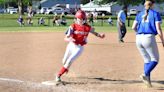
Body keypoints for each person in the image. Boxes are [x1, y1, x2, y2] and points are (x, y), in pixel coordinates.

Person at [55, 10, 105, 82]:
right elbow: (66, 37)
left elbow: (94, 32)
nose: (80, 20)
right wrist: (69, 39)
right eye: (78, 19)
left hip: (79, 48)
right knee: (64, 61)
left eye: (82, 19)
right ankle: (66, 67)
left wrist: (100, 35)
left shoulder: (87, 27)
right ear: (76, 19)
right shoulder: (73, 26)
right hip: (71, 45)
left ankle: (58, 75)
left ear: (84, 19)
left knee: (69, 61)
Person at [132, 0, 164, 87]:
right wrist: (162, 40)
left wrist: (139, 34)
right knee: (155, 59)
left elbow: (133, 27)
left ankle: (148, 82)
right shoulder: (155, 13)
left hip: (138, 38)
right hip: (148, 37)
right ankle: (145, 74)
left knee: (147, 60)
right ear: (152, 5)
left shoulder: (139, 14)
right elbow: (158, 29)